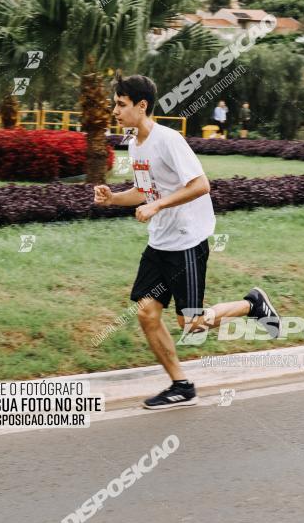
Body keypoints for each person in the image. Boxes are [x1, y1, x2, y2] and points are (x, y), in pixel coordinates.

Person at [94, 74, 280, 411]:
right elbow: (144, 192)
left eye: (120, 104)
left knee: (191, 323)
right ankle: (181, 384)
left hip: (187, 241)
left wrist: (158, 205)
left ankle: (252, 304)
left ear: (141, 106)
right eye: (115, 104)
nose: (114, 111)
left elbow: (200, 185)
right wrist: (113, 199)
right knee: (147, 313)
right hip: (160, 241)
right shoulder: (135, 144)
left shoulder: (168, 140)